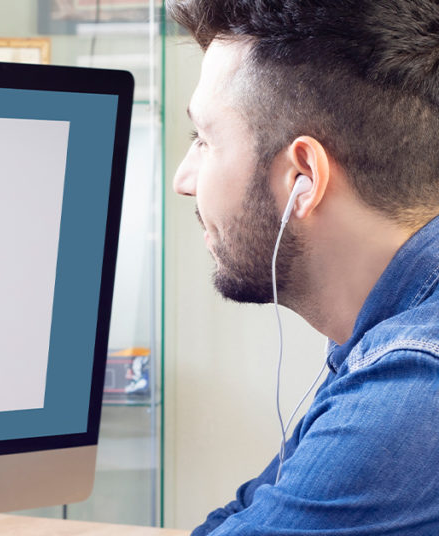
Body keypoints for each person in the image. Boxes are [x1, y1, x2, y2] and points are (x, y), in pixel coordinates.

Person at [169, 0, 439, 534]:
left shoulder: (412, 385)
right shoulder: (385, 342)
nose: (184, 179)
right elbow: (244, 516)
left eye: (205, 140)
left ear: (304, 177)